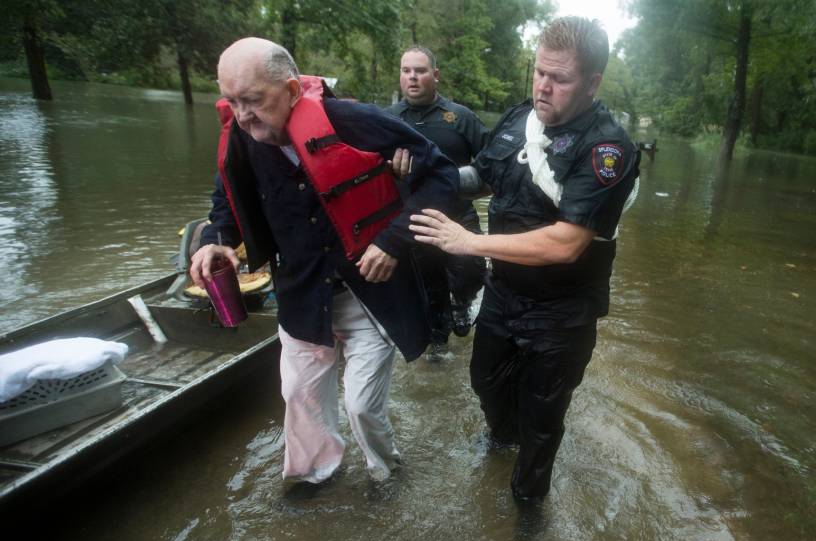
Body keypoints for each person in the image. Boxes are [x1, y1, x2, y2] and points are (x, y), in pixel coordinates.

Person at [189, 37, 458, 483]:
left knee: (361, 406)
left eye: (253, 100)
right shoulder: (240, 138)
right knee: (298, 395)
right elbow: (226, 205)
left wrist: (393, 241)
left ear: (292, 91)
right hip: (300, 293)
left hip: (369, 294)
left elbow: (443, 175)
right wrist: (215, 240)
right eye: (231, 101)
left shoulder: (353, 121)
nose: (242, 115)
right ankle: (315, 477)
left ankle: (385, 473)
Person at [409, 17, 640, 501]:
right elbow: (487, 175)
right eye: (538, 73)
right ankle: (500, 440)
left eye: (560, 78)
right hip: (505, 294)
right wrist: (432, 173)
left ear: (592, 82)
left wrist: (468, 243)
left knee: (541, 421)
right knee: (485, 382)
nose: (543, 86)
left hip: (562, 312)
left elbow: (565, 243)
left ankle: (528, 519)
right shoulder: (520, 119)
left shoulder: (608, 149)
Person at [387, 46, 489, 360]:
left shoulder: (460, 117)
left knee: (471, 270)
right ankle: (438, 345)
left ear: (435, 75)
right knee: (428, 287)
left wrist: (463, 179)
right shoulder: (388, 119)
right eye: (406, 71)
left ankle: (463, 300)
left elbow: (491, 160)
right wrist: (387, 167)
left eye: (420, 70)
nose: (412, 77)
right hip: (414, 219)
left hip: (458, 214)